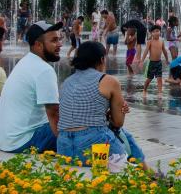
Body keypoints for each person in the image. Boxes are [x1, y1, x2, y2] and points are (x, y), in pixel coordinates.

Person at [57, 42, 147, 171]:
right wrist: (118, 112)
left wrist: (106, 114)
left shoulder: (67, 82)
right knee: (122, 134)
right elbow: (118, 123)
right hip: (93, 146)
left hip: (64, 147)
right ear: (102, 59)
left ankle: (148, 172)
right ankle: (147, 176)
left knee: (123, 134)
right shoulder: (108, 80)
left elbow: (80, 115)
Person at [0, 21, 62, 153]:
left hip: (5, 139)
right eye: (54, 40)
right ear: (38, 45)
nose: (59, 45)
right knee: (82, 126)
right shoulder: (44, 70)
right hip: (23, 141)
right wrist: (67, 143)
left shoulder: (26, 62)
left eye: (59, 39)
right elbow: (53, 113)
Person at [140, 25, 170, 94]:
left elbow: (165, 51)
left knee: (159, 78)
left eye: (157, 31)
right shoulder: (150, 42)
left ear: (160, 32)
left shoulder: (161, 41)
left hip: (159, 63)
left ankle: (160, 92)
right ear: (151, 33)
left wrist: (167, 59)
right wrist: (142, 61)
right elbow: (146, 51)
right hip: (151, 63)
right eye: (154, 32)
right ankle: (144, 90)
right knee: (149, 79)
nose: (156, 33)